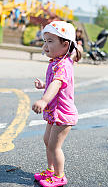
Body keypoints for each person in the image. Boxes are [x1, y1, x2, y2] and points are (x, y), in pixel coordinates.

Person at [32, 21, 81, 187]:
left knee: (54, 146)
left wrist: (44, 100)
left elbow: (57, 84)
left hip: (63, 113)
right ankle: (51, 170)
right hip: (55, 112)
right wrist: (44, 84)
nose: (45, 45)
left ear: (65, 44)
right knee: (47, 141)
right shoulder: (57, 61)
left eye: (50, 41)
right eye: (44, 41)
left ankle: (60, 176)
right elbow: (54, 82)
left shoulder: (63, 65)